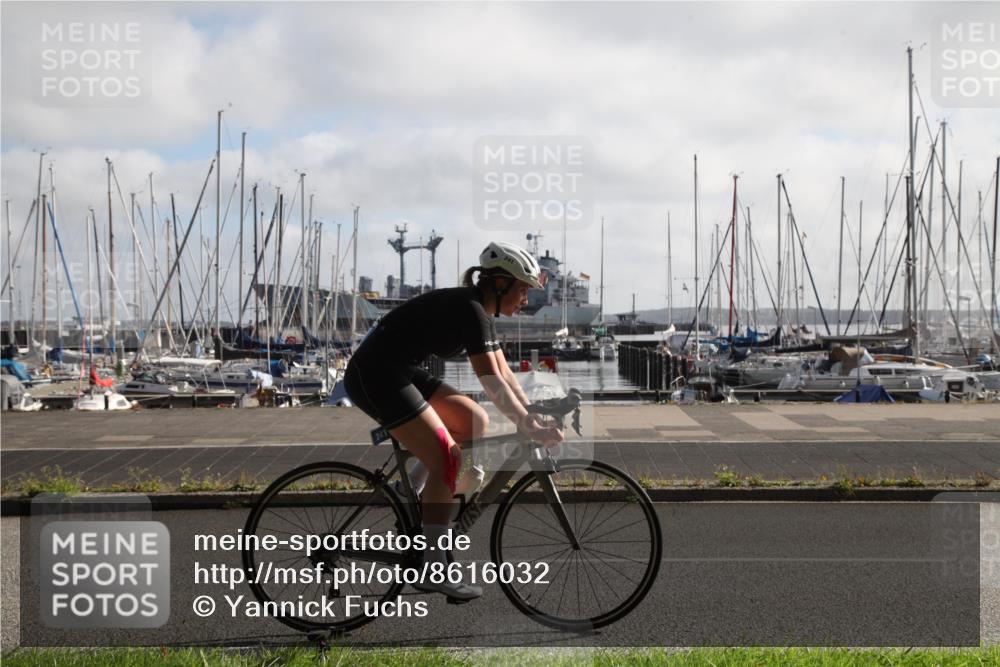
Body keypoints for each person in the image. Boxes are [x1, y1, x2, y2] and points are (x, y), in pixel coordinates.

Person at [343, 241, 564, 600]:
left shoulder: (479, 311)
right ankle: (433, 567)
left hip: (397, 369)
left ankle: (408, 488)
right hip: (374, 375)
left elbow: (504, 373)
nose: (526, 298)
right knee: (447, 457)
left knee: (474, 420)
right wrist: (529, 426)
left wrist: (531, 415)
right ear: (500, 283)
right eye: (523, 289)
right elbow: (491, 382)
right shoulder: (471, 309)